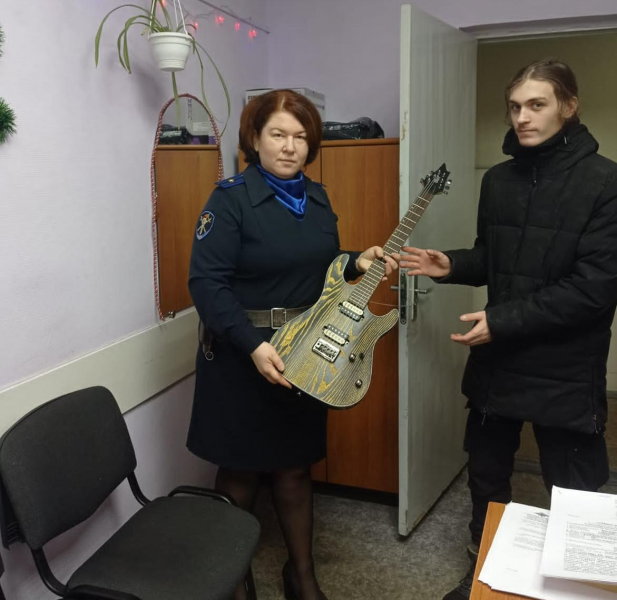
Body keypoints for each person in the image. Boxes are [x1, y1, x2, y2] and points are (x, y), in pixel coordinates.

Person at [401, 59, 617, 600]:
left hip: (565, 367)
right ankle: (485, 572)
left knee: (573, 488)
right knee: (487, 476)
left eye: (537, 105)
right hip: (498, 362)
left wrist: (500, 321)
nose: (523, 117)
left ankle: (576, 587)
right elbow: (494, 259)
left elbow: (594, 288)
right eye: (516, 106)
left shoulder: (605, 181)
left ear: (569, 106)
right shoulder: (497, 180)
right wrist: (450, 265)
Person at [187, 89, 398, 600]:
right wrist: (252, 346)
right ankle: (230, 584)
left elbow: (317, 267)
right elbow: (206, 284)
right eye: (278, 134)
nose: (289, 146)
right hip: (243, 353)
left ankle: (301, 578)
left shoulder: (317, 198)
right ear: (255, 138)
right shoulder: (231, 199)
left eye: (301, 137)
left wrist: (354, 261)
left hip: (304, 352)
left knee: (295, 467)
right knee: (240, 473)